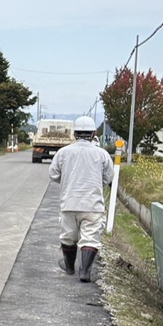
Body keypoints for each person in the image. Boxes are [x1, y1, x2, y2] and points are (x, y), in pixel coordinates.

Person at [49, 116, 114, 281]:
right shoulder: (102, 154)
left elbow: (53, 174)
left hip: (69, 202)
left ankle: (69, 267)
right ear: (93, 134)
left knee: (68, 236)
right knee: (90, 237)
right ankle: (84, 271)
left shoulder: (63, 152)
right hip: (93, 204)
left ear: (74, 133)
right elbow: (108, 177)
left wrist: (67, 181)